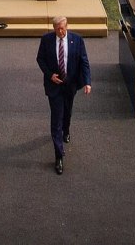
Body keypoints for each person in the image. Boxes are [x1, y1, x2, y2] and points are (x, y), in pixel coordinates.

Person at [36, 16, 91, 175]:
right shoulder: (46, 40)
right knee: (56, 118)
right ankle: (59, 156)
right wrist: (49, 75)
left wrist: (87, 82)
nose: (60, 31)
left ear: (67, 27)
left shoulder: (77, 40)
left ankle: (66, 130)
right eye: (57, 29)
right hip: (54, 86)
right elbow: (40, 59)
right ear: (53, 28)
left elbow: (84, 62)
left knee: (67, 113)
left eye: (63, 28)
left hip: (70, 85)